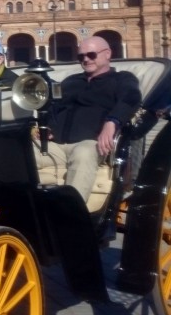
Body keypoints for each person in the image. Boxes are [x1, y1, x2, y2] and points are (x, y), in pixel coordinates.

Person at [40, 36, 142, 202]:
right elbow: (53, 105)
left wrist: (112, 121)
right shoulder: (70, 81)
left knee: (84, 153)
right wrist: (46, 126)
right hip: (56, 145)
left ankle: (71, 217)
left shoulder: (122, 79)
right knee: (19, 148)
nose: (86, 59)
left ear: (107, 54)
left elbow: (131, 98)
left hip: (91, 144)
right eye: (81, 56)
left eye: (91, 55)